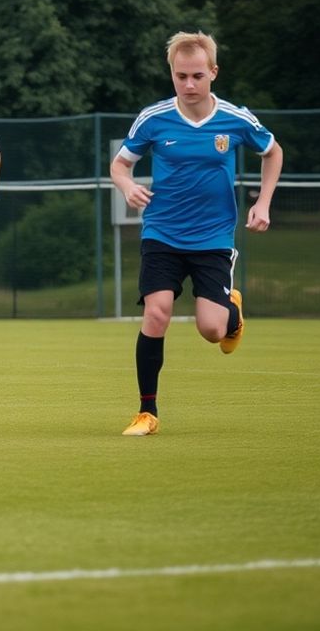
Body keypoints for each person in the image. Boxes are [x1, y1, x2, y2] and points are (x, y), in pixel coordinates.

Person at [110, 31, 283, 437]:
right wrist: (127, 186)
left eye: (197, 76)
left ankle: (231, 312)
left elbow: (273, 152)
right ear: (171, 73)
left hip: (214, 239)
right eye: (181, 75)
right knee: (157, 313)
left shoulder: (235, 119)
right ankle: (146, 412)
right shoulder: (153, 118)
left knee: (212, 330)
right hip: (162, 233)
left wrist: (264, 202)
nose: (189, 85)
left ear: (213, 73)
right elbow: (120, 165)